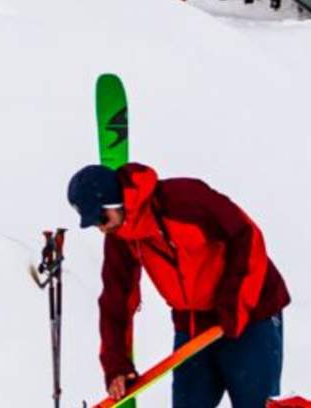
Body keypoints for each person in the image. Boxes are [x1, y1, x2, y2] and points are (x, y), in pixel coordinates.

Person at [68, 162, 291, 408]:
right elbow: (115, 301)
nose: (101, 227)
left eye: (101, 217)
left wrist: (233, 305)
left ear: (116, 202)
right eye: (93, 223)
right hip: (193, 323)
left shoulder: (185, 201)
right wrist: (116, 365)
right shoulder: (119, 238)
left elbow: (247, 236)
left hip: (251, 313)